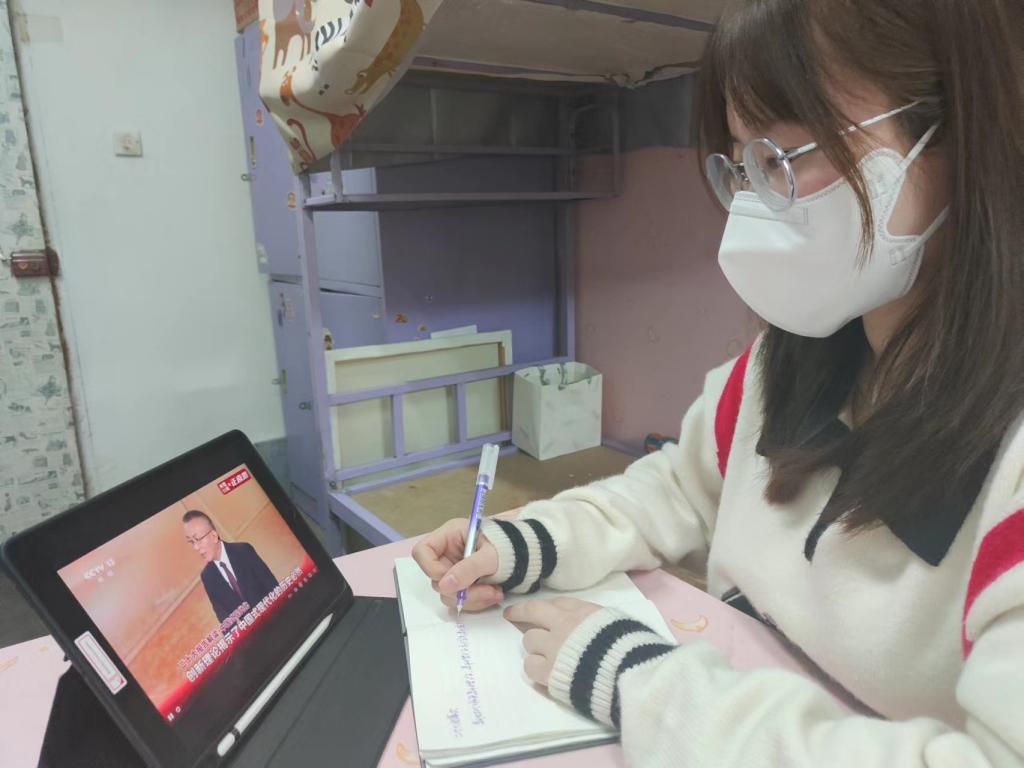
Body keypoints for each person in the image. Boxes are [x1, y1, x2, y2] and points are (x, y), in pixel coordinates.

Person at [412, 1, 1024, 765]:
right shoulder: (783, 363)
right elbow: (680, 488)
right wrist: (529, 543)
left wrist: (644, 685)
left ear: (961, 133)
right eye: (743, 162)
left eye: (789, 154)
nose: (757, 205)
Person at [182, 510, 278, 626]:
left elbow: (273, 587)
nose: (196, 547)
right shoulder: (207, 577)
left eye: (198, 539)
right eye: (191, 542)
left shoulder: (244, 550)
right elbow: (225, 621)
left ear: (213, 536)